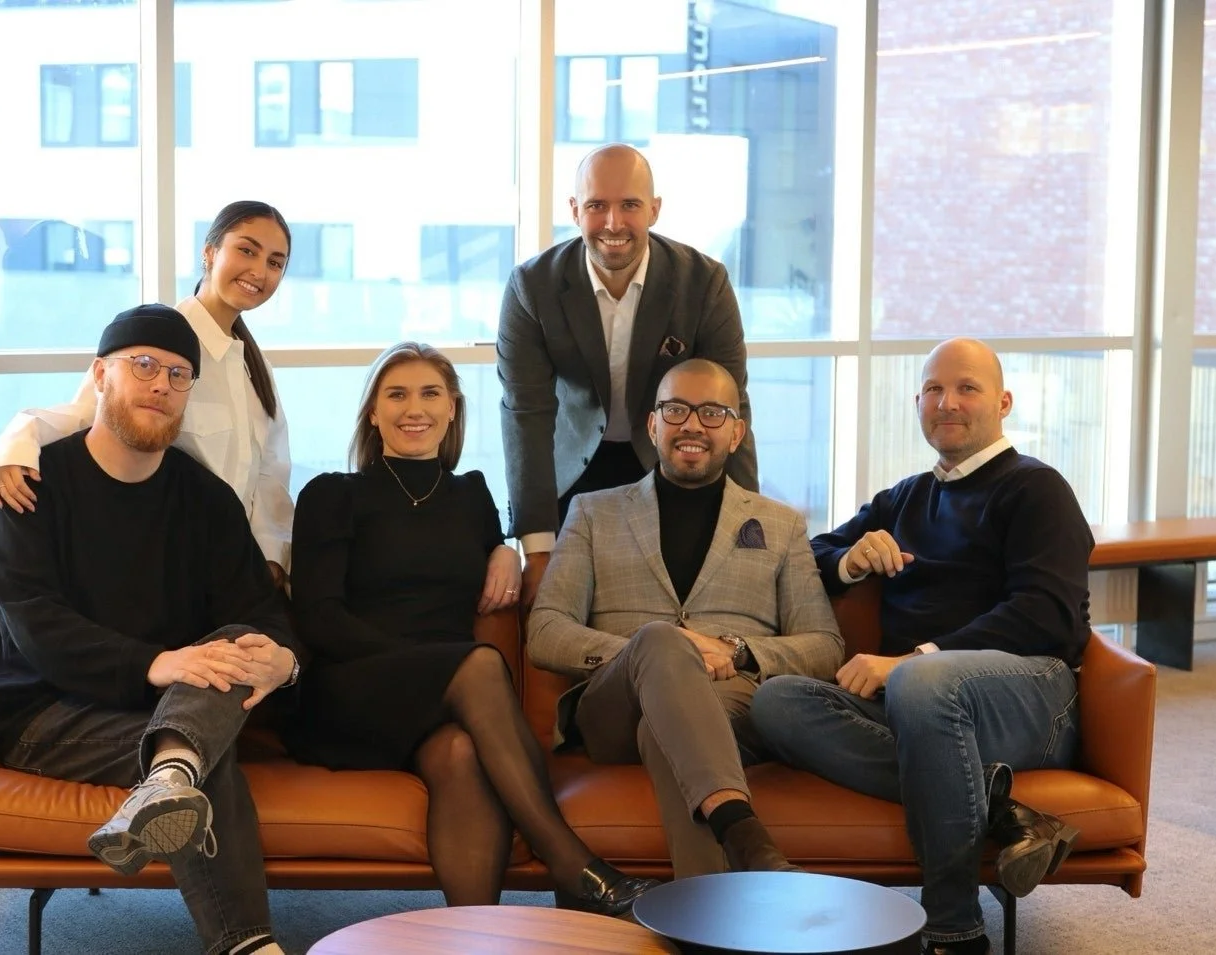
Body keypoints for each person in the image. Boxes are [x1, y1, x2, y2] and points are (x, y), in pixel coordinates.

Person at [285, 342, 657, 915]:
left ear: (453, 408)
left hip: (448, 703)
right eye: (397, 394)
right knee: (479, 662)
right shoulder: (333, 495)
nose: (416, 408)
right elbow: (318, 617)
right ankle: (574, 868)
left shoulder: (471, 494)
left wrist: (503, 548)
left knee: (460, 753)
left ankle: (471, 936)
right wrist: (426, 670)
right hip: (351, 689)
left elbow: (484, 544)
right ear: (373, 412)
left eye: (431, 393)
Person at [749, 338, 1092, 955]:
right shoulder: (906, 497)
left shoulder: (1036, 488)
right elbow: (810, 553)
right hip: (919, 707)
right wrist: (849, 560)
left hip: (1031, 695)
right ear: (918, 403)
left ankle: (955, 929)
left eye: (966, 388)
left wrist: (914, 659)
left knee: (920, 683)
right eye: (934, 390)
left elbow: (1048, 616)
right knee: (776, 700)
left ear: (1004, 402)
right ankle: (997, 802)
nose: (947, 402)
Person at [0, 304, 303, 955]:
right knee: (199, 751)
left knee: (233, 646)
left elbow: (260, 613)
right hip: (47, 710)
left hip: (164, 705)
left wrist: (283, 658)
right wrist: (155, 662)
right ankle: (246, 939)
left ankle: (168, 776)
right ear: (101, 375)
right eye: (144, 365)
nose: (161, 384)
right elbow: (34, 622)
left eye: (178, 374)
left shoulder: (204, 499)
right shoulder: (36, 485)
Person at [527, 358, 842, 879]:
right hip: (614, 713)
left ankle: (709, 916)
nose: (692, 424)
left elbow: (826, 645)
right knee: (659, 641)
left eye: (712, 412)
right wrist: (654, 653)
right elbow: (545, 631)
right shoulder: (591, 512)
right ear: (653, 425)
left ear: (737, 432)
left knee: (665, 730)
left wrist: (739, 650)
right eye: (676, 409)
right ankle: (748, 848)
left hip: (733, 707)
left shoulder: (781, 524)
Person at [497, 143, 758, 609]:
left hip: (666, 464)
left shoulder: (704, 283)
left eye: (630, 206)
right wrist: (536, 553)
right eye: (597, 206)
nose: (613, 224)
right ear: (575, 210)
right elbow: (526, 416)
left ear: (654, 210)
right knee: (566, 604)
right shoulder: (531, 288)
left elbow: (729, 408)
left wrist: (749, 527)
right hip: (571, 468)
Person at [0, 200, 296, 586]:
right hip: (162, 568)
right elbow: (86, 416)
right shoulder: (158, 341)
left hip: (231, 573)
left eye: (275, 262)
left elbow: (271, 473)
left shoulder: (254, 365)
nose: (259, 270)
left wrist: (270, 562)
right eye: (246, 250)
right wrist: (15, 447)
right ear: (210, 251)